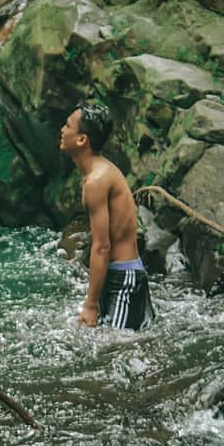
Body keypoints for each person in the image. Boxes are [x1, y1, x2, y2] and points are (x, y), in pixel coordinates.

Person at [59, 103, 155, 329]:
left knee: (117, 350)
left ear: (82, 139)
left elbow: (102, 246)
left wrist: (90, 304)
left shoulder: (96, 180)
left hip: (124, 280)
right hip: (119, 275)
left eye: (67, 125)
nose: (62, 130)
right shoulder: (98, 172)